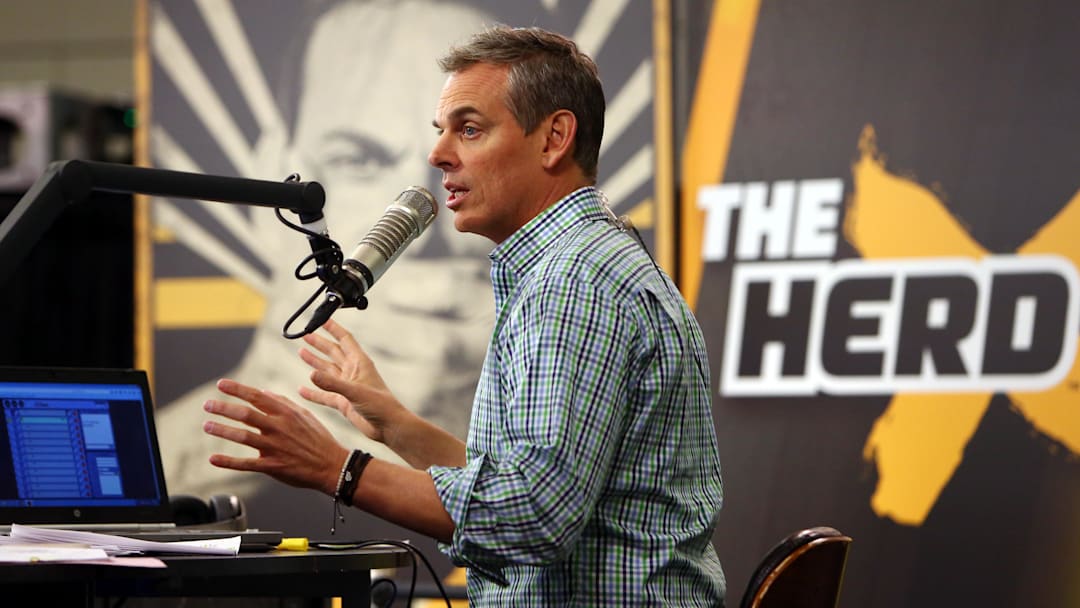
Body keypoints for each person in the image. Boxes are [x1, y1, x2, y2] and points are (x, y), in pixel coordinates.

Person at [202, 25, 726, 605]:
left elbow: (532, 514)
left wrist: (338, 468)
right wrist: (394, 426)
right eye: (443, 130)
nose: (438, 155)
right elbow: (519, 483)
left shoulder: (573, 283)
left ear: (554, 138)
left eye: (469, 129)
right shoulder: (575, 265)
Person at [157, 0, 495, 498]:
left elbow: (527, 511)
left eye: (466, 148)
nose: (425, 217)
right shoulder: (171, 459)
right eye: (358, 158)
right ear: (277, 174)